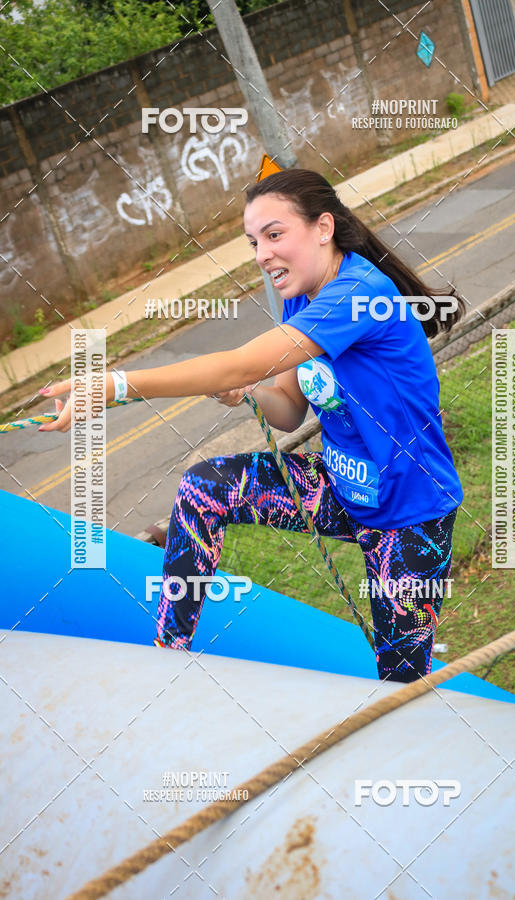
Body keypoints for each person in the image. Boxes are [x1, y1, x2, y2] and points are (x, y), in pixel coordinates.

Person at [39, 168, 465, 683]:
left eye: (275, 235)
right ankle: (167, 658)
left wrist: (114, 386)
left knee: (398, 685)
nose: (262, 254)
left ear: (323, 228)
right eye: (253, 242)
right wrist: (250, 392)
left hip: (409, 513)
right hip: (342, 488)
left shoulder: (357, 292)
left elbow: (242, 360)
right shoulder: (299, 294)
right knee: (205, 488)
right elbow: (287, 408)